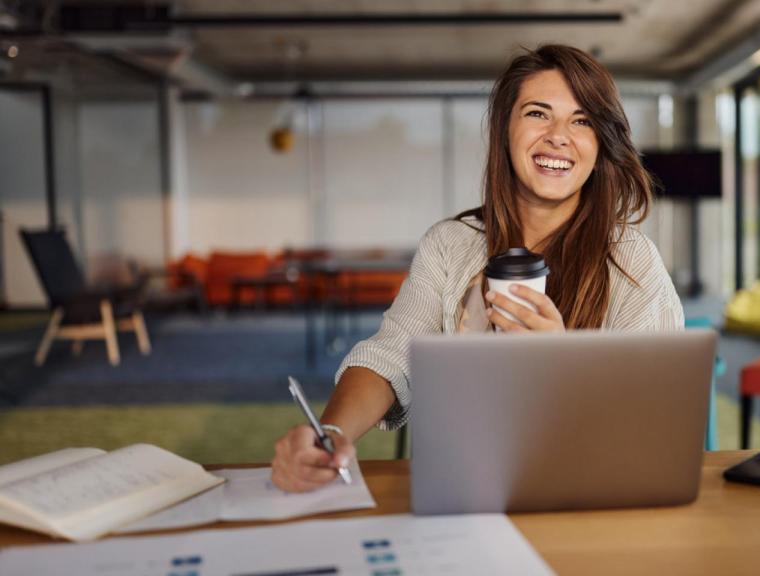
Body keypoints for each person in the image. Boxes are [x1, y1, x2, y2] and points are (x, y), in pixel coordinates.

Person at [271, 44, 685, 492]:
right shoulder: (450, 245)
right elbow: (390, 356)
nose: (559, 135)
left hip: (588, 488)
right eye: (538, 114)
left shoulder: (630, 260)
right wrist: (329, 435)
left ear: (600, 140)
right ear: (506, 130)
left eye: (582, 120)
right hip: (465, 486)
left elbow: (654, 415)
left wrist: (563, 366)